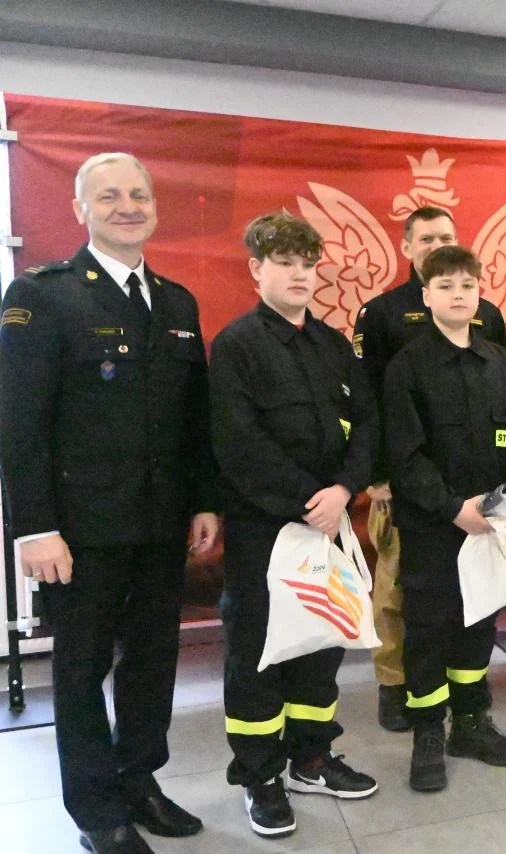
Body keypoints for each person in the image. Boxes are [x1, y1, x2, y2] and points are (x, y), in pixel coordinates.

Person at [0, 152, 217, 854]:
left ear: (155, 206)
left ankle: (139, 780)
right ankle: (98, 813)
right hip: (81, 530)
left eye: (139, 195)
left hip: (160, 522)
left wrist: (203, 500)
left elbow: (192, 417)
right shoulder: (43, 295)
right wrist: (34, 527)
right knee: (81, 670)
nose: (128, 207)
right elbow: (18, 422)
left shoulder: (176, 302)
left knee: (153, 662)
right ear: (80, 210)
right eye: (110, 196)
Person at [210, 212, 378, 839]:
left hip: (329, 524)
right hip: (267, 528)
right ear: (257, 270)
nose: (300, 274)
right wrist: (311, 498)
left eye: (308, 264)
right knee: (258, 652)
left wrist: (345, 490)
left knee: (320, 642)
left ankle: (311, 758)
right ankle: (260, 776)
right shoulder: (237, 345)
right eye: (285, 263)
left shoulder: (333, 345)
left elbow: (367, 425)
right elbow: (238, 441)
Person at [352, 205, 506, 731]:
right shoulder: (381, 314)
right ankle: (396, 685)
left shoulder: (488, 319)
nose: (436, 246)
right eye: (426, 240)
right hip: (408, 484)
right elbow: (368, 400)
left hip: (477, 492)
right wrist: (379, 476)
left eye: (445, 237)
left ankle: (466, 699)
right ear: (406, 248)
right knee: (401, 595)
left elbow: (501, 402)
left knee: (472, 598)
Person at [382, 245, 506, 792]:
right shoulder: (407, 367)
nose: (458, 295)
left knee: (479, 623)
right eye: (445, 286)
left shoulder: (497, 362)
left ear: (480, 293)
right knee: (428, 628)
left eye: (467, 285)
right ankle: (428, 733)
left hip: (489, 523)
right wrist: (452, 508)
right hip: (433, 526)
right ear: (426, 296)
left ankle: (470, 722)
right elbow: (405, 454)